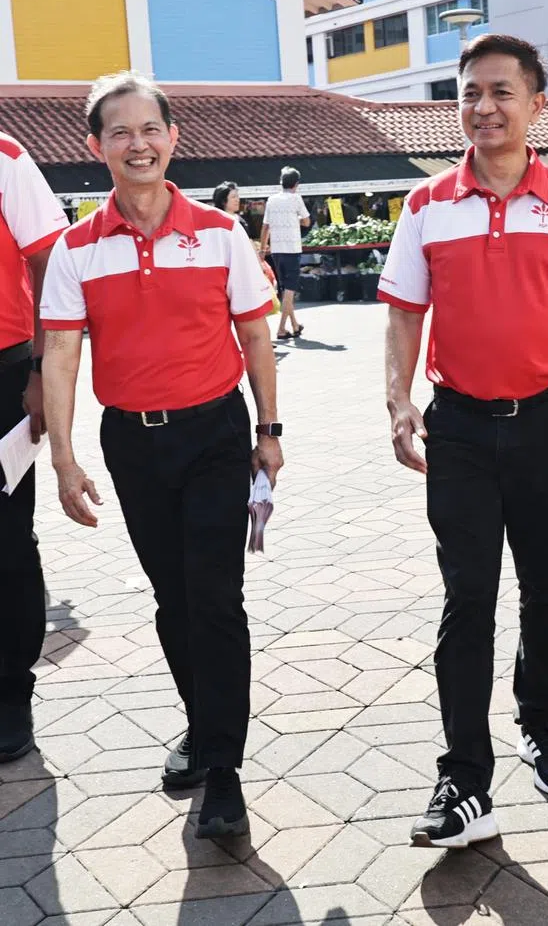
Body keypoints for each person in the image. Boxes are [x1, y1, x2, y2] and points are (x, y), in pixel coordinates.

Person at [380, 33, 548, 849]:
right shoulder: (426, 207)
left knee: (546, 591)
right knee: (468, 599)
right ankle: (464, 779)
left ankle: (541, 722)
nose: (483, 108)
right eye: (470, 93)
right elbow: (405, 313)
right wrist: (398, 400)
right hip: (458, 427)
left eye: (501, 92)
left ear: (535, 105)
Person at [39, 71, 283, 840]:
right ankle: (202, 727)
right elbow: (61, 357)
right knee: (173, 600)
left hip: (214, 432)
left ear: (173, 138)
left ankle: (224, 769)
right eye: (120, 131)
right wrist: (66, 459)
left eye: (151, 129)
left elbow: (254, 334)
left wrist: (269, 431)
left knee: (214, 594)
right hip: (131, 443)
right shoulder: (78, 249)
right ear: (95, 147)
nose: (137, 144)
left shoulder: (218, 233)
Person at [0, 133, 68, 762]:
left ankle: (10, 691)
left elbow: (48, 262)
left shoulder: (7, 157)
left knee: (7, 540)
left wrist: (41, 372)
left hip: (3, 369)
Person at [260, 167, 311, 340]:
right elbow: (306, 221)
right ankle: (282, 328)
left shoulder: (271, 200)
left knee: (285, 289)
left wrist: (262, 249)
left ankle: (295, 325)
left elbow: (265, 226)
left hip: (276, 250)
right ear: (296, 184)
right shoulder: (296, 199)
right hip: (292, 248)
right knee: (290, 289)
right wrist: (294, 219)